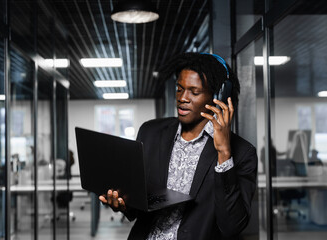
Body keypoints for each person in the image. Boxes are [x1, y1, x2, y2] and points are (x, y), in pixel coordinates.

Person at [99, 52, 258, 239]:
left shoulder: (242, 153)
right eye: (179, 88)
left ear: (218, 97)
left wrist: (223, 152)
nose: (183, 97)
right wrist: (122, 203)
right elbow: (138, 206)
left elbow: (232, 225)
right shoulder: (150, 132)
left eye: (195, 92)